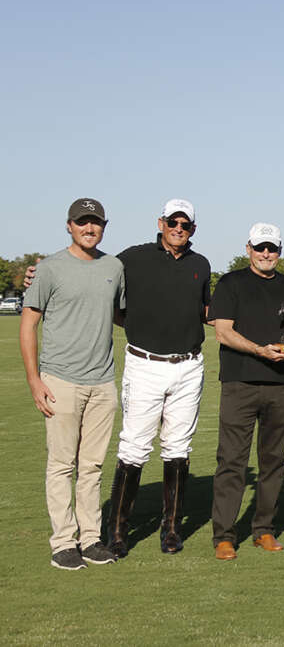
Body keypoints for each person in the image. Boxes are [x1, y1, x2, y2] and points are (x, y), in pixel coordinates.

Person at [25, 199, 213, 557]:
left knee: (178, 448)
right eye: (172, 221)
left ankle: (171, 530)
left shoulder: (200, 264)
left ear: (192, 229)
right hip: (144, 364)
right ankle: (116, 532)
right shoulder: (130, 258)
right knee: (134, 447)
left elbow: (205, 310)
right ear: (160, 222)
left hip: (188, 366)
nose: (178, 228)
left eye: (185, 224)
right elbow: (90, 272)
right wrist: (36, 272)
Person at [19, 198, 125, 570]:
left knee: (92, 466)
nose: (89, 228)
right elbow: (29, 324)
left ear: (104, 226)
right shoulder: (49, 269)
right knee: (62, 465)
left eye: (95, 222)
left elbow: (124, 315)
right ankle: (63, 542)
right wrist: (34, 380)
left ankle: (91, 539)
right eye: (82, 222)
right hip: (60, 380)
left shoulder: (114, 267)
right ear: (69, 226)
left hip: (102, 382)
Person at [208, 222, 284, 561]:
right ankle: (224, 535)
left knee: (273, 461)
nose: (266, 253)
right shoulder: (231, 283)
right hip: (240, 382)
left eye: (272, 248)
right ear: (249, 248)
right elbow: (222, 332)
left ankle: (263, 529)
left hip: (281, 385)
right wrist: (260, 350)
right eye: (260, 247)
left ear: (280, 250)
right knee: (231, 462)